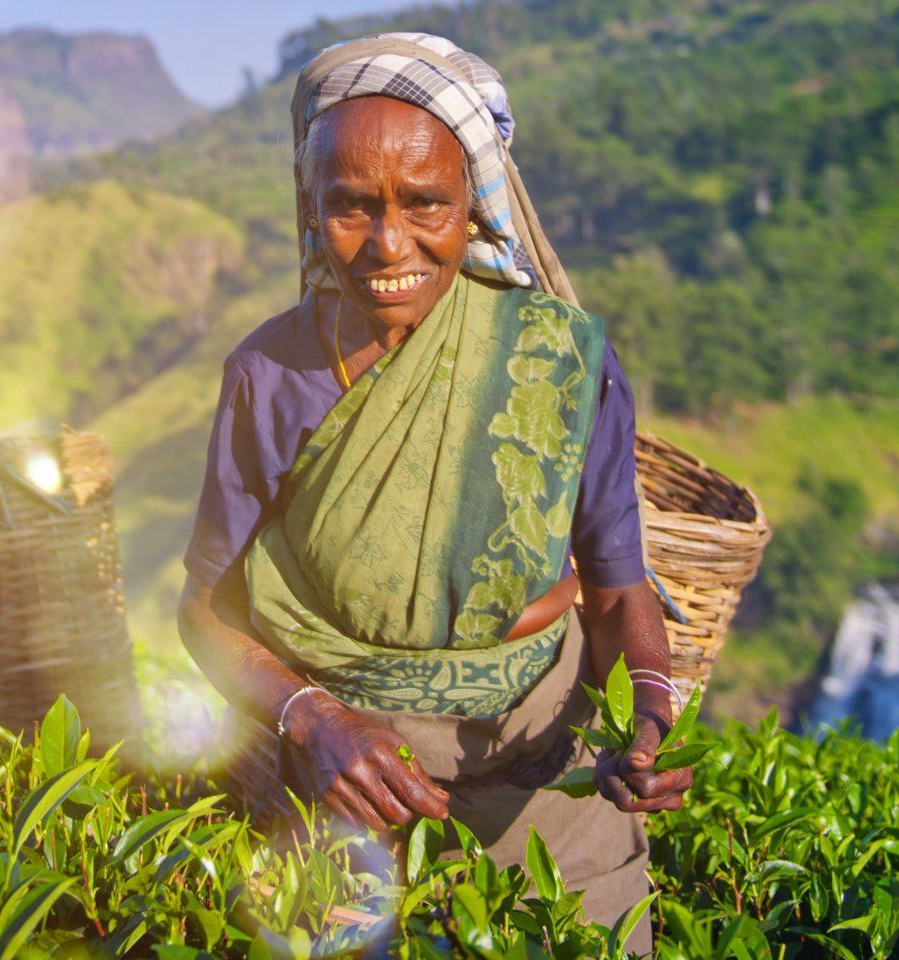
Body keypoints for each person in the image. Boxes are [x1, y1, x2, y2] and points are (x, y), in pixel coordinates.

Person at [176, 33, 690, 947]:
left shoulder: (560, 364)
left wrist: (651, 708)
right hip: (349, 796)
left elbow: (617, 589)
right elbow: (207, 614)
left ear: (474, 206)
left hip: (546, 797)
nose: (388, 243)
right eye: (349, 208)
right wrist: (313, 720)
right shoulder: (269, 374)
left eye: (425, 204)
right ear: (309, 208)